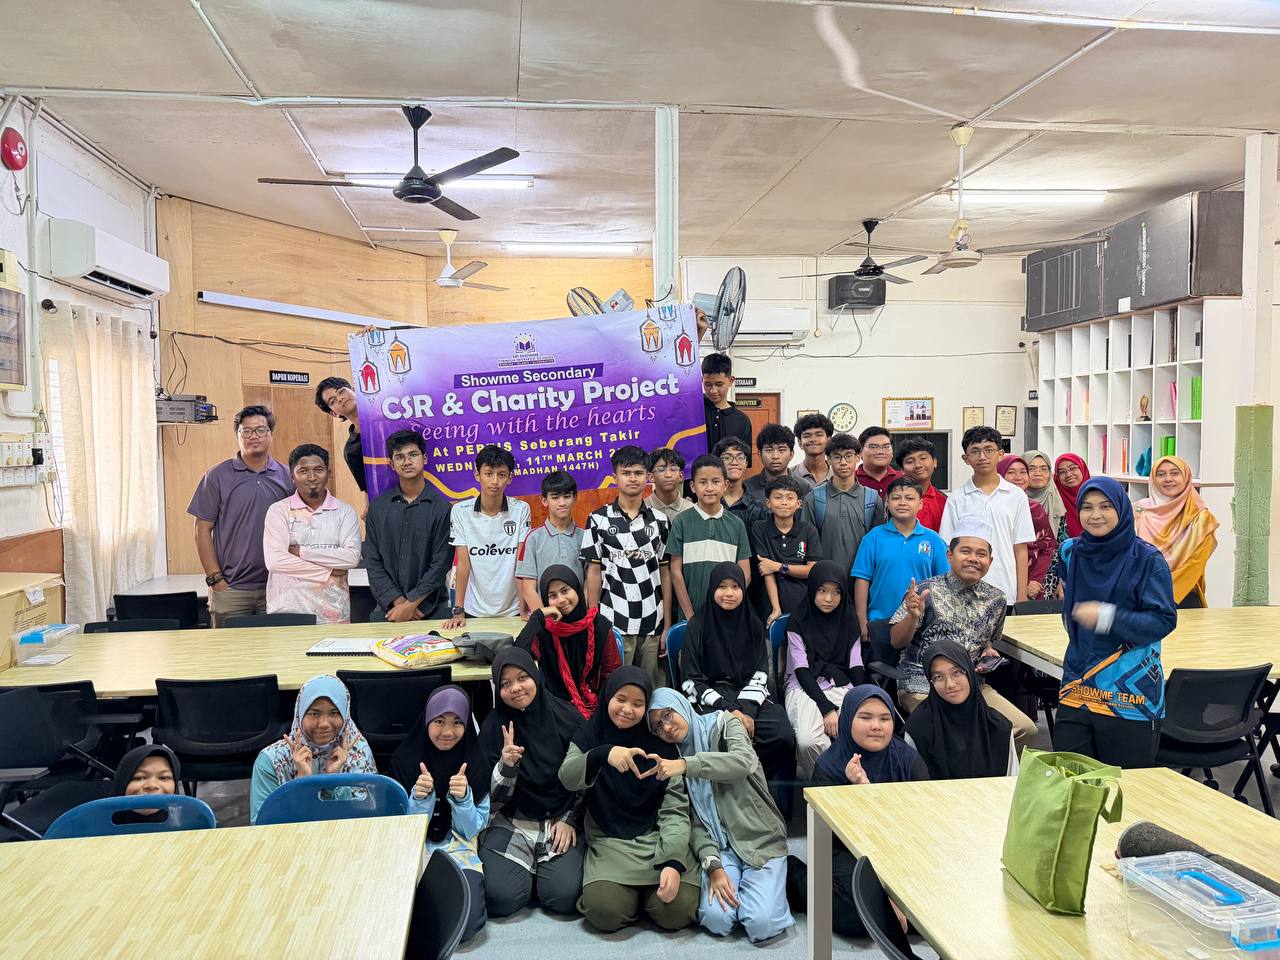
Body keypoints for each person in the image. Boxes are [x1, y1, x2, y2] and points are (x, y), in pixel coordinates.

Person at [647, 688, 794, 943]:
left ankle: (769, 887)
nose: (666, 728)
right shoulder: (673, 756)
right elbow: (693, 820)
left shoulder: (724, 724)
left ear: (680, 705)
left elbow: (743, 762)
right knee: (716, 919)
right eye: (657, 727)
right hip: (720, 848)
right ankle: (758, 889)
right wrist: (712, 865)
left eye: (668, 715)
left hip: (759, 839)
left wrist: (688, 765)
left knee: (761, 924)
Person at [558, 668, 699, 933]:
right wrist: (604, 754)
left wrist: (672, 861)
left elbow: (675, 811)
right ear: (608, 696)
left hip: (656, 838)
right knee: (605, 912)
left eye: (638, 704)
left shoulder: (660, 744)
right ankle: (634, 898)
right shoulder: (590, 734)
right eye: (620, 699)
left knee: (678, 911)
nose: (627, 710)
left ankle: (645, 897)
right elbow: (567, 777)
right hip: (609, 841)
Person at [1054, 477, 1175, 767]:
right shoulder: (1070, 552)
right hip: (1078, 683)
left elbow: (1163, 620)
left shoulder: (1147, 559)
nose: (1095, 515)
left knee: (1128, 787)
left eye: (1106, 506)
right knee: (1071, 782)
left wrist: (1106, 617)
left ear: (1121, 509)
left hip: (1129, 693)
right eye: (1087, 507)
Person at [889, 517, 1037, 752]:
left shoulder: (997, 599)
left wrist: (988, 652)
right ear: (950, 555)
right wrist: (912, 617)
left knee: (1024, 729)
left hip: (972, 685)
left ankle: (989, 771)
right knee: (958, 733)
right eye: (965, 551)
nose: (973, 559)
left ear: (990, 561)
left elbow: (986, 641)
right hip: (923, 684)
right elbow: (896, 641)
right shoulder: (926, 591)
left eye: (981, 554)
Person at [809, 687, 927, 940]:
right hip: (849, 850)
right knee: (857, 917)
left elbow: (921, 824)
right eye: (865, 717)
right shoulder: (828, 767)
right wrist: (858, 794)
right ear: (848, 719)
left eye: (885, 718)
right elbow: (826, 838)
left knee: (937, 907)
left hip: (900, 846)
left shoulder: (908, 760)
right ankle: (797, 877)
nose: (876, 726)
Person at [478, 649, 588, 919]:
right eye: (505, 683)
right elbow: (491, 802)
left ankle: (539, 873)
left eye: (522, 678)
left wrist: (571, 818)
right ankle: (531, 872)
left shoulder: (567, 718)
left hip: (561, 819)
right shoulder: (493, 728)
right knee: (500, 898)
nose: (516, 688)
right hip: (512, 820)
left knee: (563, 896)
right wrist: (506, 766)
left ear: (536, 676)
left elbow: (588, 779)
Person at [678, 563, 795, 785]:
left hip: (748, 694)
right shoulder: (697, 625)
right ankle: (725, 787)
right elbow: (691, 681)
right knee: (716, 735)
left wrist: (746, 711)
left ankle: (749, 782)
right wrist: (730, 710)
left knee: (782, 734)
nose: (729, 593)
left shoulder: (753, 624)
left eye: (735, 586)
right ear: (712, 589)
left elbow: (760, 673)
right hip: (710, 698)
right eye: (722, 587)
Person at [391, 685, 490, 941]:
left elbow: (471, 830)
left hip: (459, 848)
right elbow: (399, 830)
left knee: (465, 923)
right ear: (427, 720)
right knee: (395, 915)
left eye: (457, 722)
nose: (447, 732)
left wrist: (463, 799)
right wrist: (420, 800)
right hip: (415, 848)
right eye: (439, 721)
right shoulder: (404, 759)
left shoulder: (476, 761)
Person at [189, 404, 293, 626]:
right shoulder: (216, 476)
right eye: (246, 431)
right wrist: (216, 580)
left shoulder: (287, 476)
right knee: (230, 648)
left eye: (260, 430)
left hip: (277, 586)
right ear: (237, 435)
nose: (253, 436)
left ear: (271, 434)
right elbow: (202, 529)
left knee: (277, 646)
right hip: (231, 590)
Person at [581, 445, 672, 690]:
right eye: (626, 473)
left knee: (650, 690)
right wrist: (593, 621)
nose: (633, 478)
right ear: (615, 477)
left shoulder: (660, 521)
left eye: (639, 473)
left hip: (652, 622)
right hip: (612, 621)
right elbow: (593, 572)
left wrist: (667, 624)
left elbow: (665, 573)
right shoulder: (598, 519)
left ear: (648, 477)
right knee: (615, 690)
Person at [249, 675, 376, 824]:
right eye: (314, 714)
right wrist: (301, 782)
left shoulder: (357, 752)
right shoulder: (271, 761)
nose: (324, 724)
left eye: (334, 713)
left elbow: (370, 818)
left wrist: (333, 781)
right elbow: (261, 825)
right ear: (300, 714)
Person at [784, 560, 866, 778]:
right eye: (822, 591)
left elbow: (855, 664)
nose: (829, 599)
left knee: (858, 731)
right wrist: (827, 709)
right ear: (812, 589)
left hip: (839, 681)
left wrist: (862, 699)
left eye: (836, 592)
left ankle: (851, 782)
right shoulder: (798, 619)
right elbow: (801, 669)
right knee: (808, 741)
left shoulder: (848, 617)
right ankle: (824, 783)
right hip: (804, 686)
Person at [262, 444, 361, 624]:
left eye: (318, 470)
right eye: (303, 471)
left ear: (328, 473)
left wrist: (301, 552)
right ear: (292, 476)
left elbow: (351, 558)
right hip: (287, 609)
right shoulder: (279, 511)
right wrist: (329, 571)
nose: (312, 477)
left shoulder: (345, 512)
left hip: (334, 613)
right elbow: (275, 561)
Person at [363, 430, 453, 623]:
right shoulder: (378, 508)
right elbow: (372, 560)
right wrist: (399, 603)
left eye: (413, 455)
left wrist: (411, 604)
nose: (407, 462)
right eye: (399, 457)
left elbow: (441, 563)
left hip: (431, 610)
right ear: (391, 464)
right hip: (388, 609)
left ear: (424, 458)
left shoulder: (442, 508)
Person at [939, 426, 1035, 604]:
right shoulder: (957, 498)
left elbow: (1020, 549)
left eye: (989, 450)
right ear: (966, 458)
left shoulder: (1017, 496)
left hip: (1006, 590)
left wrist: (1021, 596)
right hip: (964, 594)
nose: (982, 456)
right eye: (975, 451)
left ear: (1000, 454)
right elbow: (949, 548)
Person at [443, 444, 532, 629]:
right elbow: (463, 564)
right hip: (473, 610)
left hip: (514, 609)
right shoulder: (460, 511)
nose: (495, 481)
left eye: (501, 475)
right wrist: (458, 610)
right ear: (477, 475)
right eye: (489, 474)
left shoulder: (521, 510)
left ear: (510, 477)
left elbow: (521, 563)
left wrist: (524, 607)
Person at [851, 476, 949, 643]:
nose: (902, 503)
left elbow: (944, 583)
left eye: (909, 498)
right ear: (887, 503)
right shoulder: (873, 538)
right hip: (880, 621)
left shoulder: (934, 540)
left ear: (920, 503)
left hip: (921, 623)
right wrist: (862, 620)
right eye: (896, 498)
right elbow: (862, 580)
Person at [516, 565, 621, 720]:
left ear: (576, 588)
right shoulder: (544, 631)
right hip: (554, 709)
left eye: (565, 591)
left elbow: (611, 673)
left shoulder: (600, 626)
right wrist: (538, 616)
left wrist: (603, 710)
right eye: (552, 595)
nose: (561, 600)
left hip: (595, 705)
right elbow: (517, 656)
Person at [903, 641, 1017, 779]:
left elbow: (1012, 783)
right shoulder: (918, 729)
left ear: (969, 671)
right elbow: (910, 785)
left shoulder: (998, 727)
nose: (950, 684)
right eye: (939, 677)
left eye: (957, 672)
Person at [668, 455, 751, 620]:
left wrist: (728, 602)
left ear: (725, 485)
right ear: (692, 486)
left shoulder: (737, 524)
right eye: (703, 482)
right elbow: (675, 571)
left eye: (715, 481)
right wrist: (690, 615)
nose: (709, 488)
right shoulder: (681, 522)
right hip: (690, 615)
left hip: (727, 615)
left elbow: (745, 574)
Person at [800, 433, 885, 585]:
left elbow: (879, 546)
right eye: (837, 457)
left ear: (858, 457)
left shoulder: (872, 499)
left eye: (849, 456)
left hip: (863, 581)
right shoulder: (814, 498)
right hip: (824, 582)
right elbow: (806, 544)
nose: (843, 462)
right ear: (828, 459)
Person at [1135, 455, 1219, 609]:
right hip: (1139, 595)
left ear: (1186, 477)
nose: (1168, 479)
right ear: (1153, 479)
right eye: (1161, 474)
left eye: (1175, 473)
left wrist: (1158, 595)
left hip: (1181, 596)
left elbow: (1193, 566)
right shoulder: (1138, 511)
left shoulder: (1201, 519)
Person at [750, 475, 822, 625]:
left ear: (799, 503)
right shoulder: (759, 528)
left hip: (803, 603)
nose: (784, 502)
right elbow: (766, 569)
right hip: (768, 603)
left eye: (790, 498)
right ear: (768, 503)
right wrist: (776, 608)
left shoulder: (808, 530)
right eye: (778, 497)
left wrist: (779, 566)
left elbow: (812, 570)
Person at [516, 470, 585, 619]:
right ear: (544, 500)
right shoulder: (533, 538)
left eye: (567, 496)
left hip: (580, 619)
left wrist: (585, 616)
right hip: (547, 620)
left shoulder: (586, 537)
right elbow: (528, 588)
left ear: (575, 498)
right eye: (555, 497)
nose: (562, 503)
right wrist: (545, 619)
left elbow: (589, 582)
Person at [996, 454, 1056, 601]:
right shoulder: (992, 507)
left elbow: (1047, 546)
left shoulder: (1035, 509)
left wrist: (1034, 580)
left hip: (1030, 586)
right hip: (999, 582)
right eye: (1011, 472)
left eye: (1023, 472)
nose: (1018, 477)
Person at [1024, 449, 1068, 597]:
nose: (1038, 473)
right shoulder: (1014, 502)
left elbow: (1062, 545)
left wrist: (1063, 580)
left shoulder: (1057, 502)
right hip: (1021, 575)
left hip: (1050, 576)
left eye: (1044, 469)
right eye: (1031, 468)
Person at [313, 375, 366, 494]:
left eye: (341, 391)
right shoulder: (351, 450)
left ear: (353, 389)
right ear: (334, 413)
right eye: (333, 401)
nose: (340, 398)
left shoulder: (391, 414)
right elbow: (367, 489)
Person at [111, 744, 181, 824]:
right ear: (122, 783)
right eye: (139, 778)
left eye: (163, 778)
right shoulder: (100, 823)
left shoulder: (187, 824)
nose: (152, 785)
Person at [714, 437, 770, 531]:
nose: (734, 462)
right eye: (727, 458)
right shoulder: (709, 502)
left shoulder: (758, 508)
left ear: (746, 463)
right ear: (717, 463)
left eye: (740, 457)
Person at [702, 352, 752, 456]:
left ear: (731, 380)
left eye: (719, 384)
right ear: (702, 380)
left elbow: (744, 460)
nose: (713, 390)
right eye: (708, 384)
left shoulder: (742, 421)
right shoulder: (694, 410)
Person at [746, 424, 811, 499]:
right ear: (760, 454)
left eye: (781, 450)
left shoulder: (804, 487)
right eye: (769, 450)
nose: (775, 456)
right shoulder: (747, 488)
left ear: (791, 454)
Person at [897, 436, 947, 532]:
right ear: (902, 469)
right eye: (910, 461)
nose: (918, 465)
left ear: (935, 462)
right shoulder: (895, 500)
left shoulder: (944, 501)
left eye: (923, 458)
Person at [645, 447, 693, 523]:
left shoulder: (692, 510)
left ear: (681, 476)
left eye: (673, 469)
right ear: (651, 477)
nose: (668, 475)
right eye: (661, 470)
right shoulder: (641, 509)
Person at [855, 426, 904, 498]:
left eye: (886, 447)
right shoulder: (851, 479)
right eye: (873, 447)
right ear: (861, 452)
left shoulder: (903, 478)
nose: (880, 452)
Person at [1053, 452, 1091, 540]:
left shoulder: (1098, 496)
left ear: (1082, 468)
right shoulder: (1053, 501)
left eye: (1073, 468)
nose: (1068, 474)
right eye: (1062, 472)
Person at [791, 413, 834, 488]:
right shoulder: (790, 475)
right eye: (807, 436)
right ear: (800, 442)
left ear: (828, 440)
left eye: (819, 435)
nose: (813, 439)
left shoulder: (838, 474)